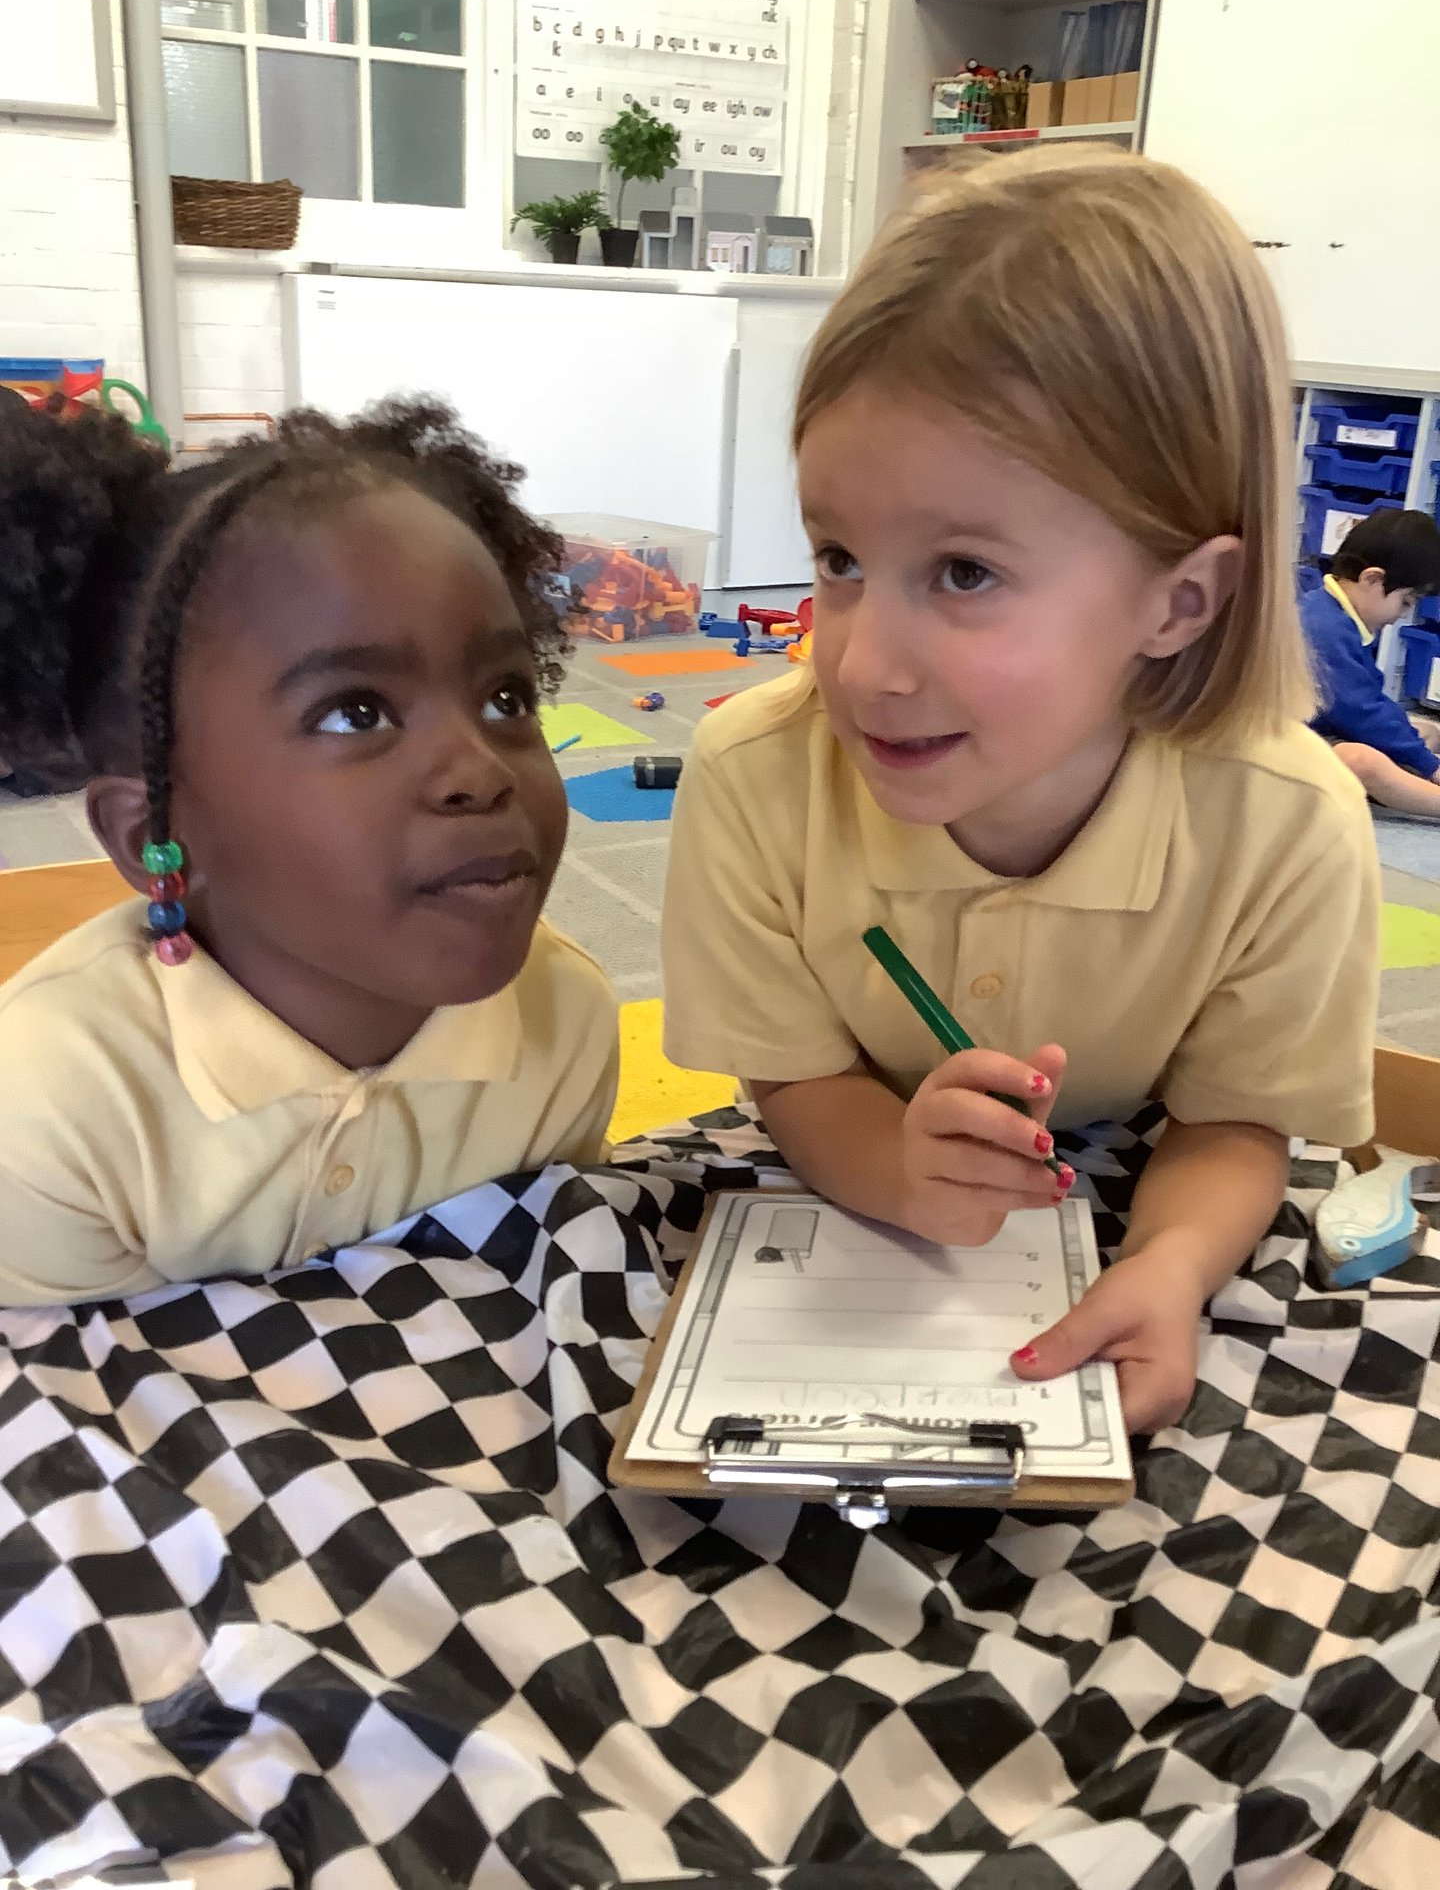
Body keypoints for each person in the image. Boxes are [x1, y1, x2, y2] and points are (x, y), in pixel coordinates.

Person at [661, 147, 1379, 1435]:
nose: (862, 664)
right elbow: (796, 1080)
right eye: (838, 557)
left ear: (1178, 601)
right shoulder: (756, 775)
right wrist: (895, 1162)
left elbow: (1235, 1122)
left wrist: (1167, 1269)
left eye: (967, 573)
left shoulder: (1287, 821)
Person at [0, 398, 617, 1305]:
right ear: (154, 836)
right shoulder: (44, 1110)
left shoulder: (566, 1025)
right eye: (355, 711)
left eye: (506, 698)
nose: (480, 771)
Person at [1298, 509, 1440, 817]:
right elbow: (1362, 710)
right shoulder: (1325, 629)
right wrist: (1430, 765)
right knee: (1363, 760)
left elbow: (1368, 700)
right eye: (1405, 602)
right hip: (1280, 749)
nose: (1402, 614)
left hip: (1315, 730)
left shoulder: (1331, 613)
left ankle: (1409, 782)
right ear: (1372, 578)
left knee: (1423, 732)